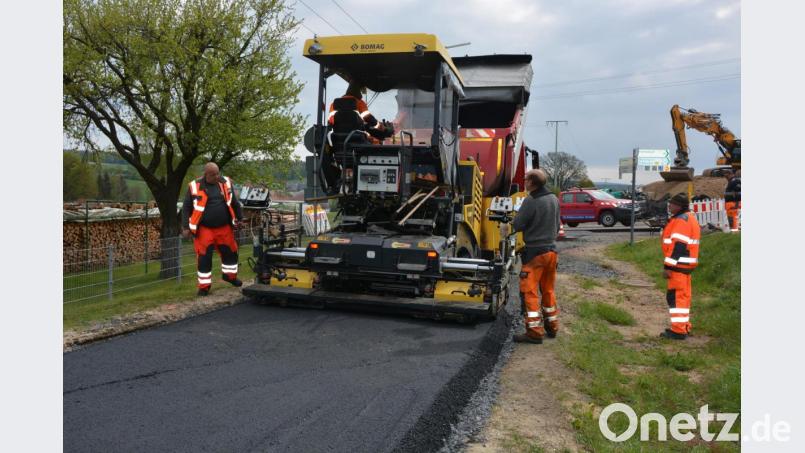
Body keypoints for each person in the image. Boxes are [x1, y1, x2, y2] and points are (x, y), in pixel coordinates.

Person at [508, 168, 561, 344]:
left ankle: (534, 333)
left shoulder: (531, 201)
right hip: (551, 252)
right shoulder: (554, 198)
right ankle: (552, 327)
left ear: (532, 182)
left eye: (526, 179)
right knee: (548, 290)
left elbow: (518, 224)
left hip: (535, 254)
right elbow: (556, 222)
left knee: (529, 292)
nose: (524, 181)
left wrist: (511, 223)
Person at [182, 162, 244, 296]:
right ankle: (204, 287)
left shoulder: (226, 182)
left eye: (218, 173)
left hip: (224, 227)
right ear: (206, 174)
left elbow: (234, 202)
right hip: (204, 229)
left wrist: (240, 218)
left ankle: (230, 277)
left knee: (231, 252)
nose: (217, 176)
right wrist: (185, 227)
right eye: (213, 174)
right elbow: (186, 208)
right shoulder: (194, 186)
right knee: (204, 257)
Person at [660, 193, 701, 340]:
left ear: (679, 206)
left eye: (672, 203)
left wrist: (668, 266)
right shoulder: (688, 218)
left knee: (676, 298)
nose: (669, 205)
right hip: (685, 265)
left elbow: (678, 246)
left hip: (679, 265)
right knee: (683, 298)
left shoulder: (681, 220)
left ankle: (678, 331)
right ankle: (683, 327)